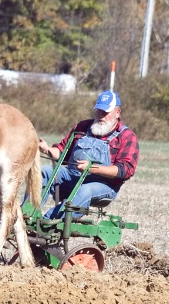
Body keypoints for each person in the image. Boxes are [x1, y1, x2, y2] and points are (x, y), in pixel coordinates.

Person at [37, 90, 139, 219]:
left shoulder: (127, 136)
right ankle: (27, 216)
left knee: (85, 190)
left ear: (117, 112)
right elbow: (63, 153)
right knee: (43, 172)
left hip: (103, 184)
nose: (101, 115)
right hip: (71, 176)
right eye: (99, 110)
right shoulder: (83, 127)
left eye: (105, 112)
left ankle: (47, 222)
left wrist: (91, 168)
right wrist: (47, 150)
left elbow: (125, 170)